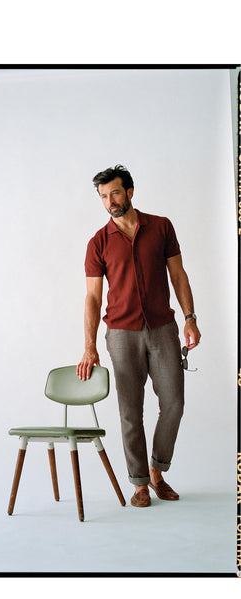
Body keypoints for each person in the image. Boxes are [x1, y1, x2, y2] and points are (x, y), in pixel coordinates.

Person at [76, 164, 201, 507]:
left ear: (130, 191)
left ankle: (157, 471)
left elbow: (178, 275)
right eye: (103, 196)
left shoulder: (161, 227)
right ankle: (139, 483)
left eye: (115, 193)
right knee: (130, 412)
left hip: (163, 328)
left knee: (173, 403)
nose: (110, 201)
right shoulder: (97, 243)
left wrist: (190, 318)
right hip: (120, 333)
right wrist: (89, 346)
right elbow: (92, 297)